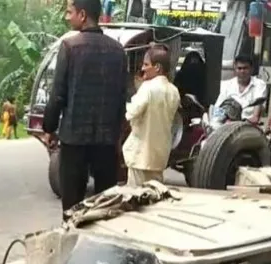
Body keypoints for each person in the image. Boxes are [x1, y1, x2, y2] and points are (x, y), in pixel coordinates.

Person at [43, 0, 128, 214]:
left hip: (74, 140)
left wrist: (49, 128)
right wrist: (117, 139)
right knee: (104, 206)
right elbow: (121, 99)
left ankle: (73, 241)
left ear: (82, 15)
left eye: (69, 12)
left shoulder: (70, 47)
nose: (66, 16)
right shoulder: (118, 51)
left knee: (72, 206)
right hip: (106, 143)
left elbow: (58, 94)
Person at [122, 45, 180, 186]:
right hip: (159, 158)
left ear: (157, 67)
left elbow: (131, 113)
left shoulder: (148, 88)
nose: (142, 68)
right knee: (154, 198)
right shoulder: (174, 91)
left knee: (136, 199)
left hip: (140, 156)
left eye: (146, 64)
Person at [214, 54, 267, 124]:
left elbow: (255, 117)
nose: (242, 71)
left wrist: (242, 122)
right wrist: (225, 121)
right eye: (239, 68)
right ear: (235, 69)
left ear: (251, 69)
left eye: (245, 68)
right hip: (228, 125)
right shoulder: (227, 85)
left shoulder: (259, 84)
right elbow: (217, 110)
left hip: (249, 126)